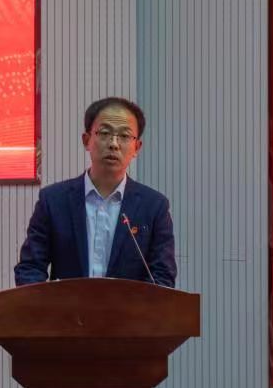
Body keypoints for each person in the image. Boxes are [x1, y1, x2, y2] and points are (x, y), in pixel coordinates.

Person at [14, 97, 177, 287]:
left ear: (136, 148)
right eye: (105, 133)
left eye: (124, 136)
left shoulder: (154, 207)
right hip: (66, 307)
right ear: (86, 140)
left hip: (129, 307)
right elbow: (30, 268)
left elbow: (162, 277)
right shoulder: (53, 201)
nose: (114, 144)